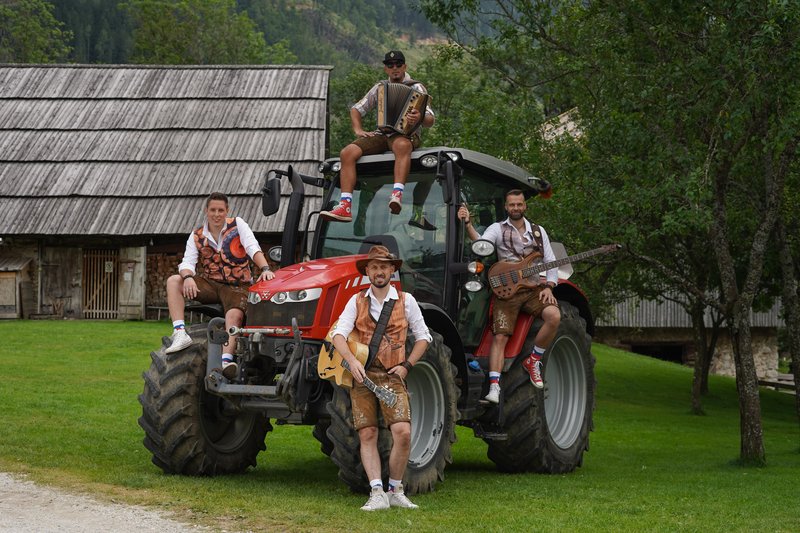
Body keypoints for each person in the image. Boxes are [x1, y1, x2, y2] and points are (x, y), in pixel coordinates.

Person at [330, 245, 432, 511]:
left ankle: (395, 489)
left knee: (403, 433)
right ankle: (377, 491)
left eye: (383, 267)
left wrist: (407, 365)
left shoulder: (406, 301)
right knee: (368, 433)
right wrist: (352, 362)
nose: (378, 271)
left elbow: (424, 338)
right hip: (362, 376)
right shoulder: (356, 301)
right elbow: (338, 335)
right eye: (373, 267)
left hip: (392, 375)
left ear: (392, 270)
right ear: (368, 272)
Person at [458, 190, 561, 402]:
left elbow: (551, 262)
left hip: (533, 290)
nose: (516, 208)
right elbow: (482, 245)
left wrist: (549, 287)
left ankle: (534, 360)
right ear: (506, 207)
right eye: (512, 205)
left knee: (554, 316)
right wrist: (468, 224)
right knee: (500, 336)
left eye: (519, 205)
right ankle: (494, 387)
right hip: (508, 292)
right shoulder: (497, 228)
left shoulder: (538, 232)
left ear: (525, 206)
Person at [165, 192, 275, 379]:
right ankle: (180, 332)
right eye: (213, 210)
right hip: (211, 285)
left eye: (221, 210)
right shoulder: (196, 235)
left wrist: (265, 268)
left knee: (234, 314)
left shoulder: (237, 225)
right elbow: (187, 262)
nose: (217, 214)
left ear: (227, 211)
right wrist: (189, 276)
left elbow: (252, 247)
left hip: (237, 285)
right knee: (174, 281)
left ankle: (226, 361)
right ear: (206, 211)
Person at [321, 50, 436, 227]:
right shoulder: (380, 87)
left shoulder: (417, 88)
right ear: (385, 69)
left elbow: (430, 120)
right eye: (390, 65)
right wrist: (358, 129)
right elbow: (356, 109)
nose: (395, 68)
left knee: (402, 145)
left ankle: (396, 194)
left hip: (407, 133)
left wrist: (418, 116)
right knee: (347, 153)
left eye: (398, 64)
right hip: (383, 133)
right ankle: (345, 205)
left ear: (405, 66)